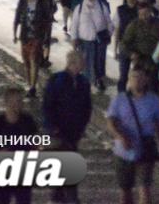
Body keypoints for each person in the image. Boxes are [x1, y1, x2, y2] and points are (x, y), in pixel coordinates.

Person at [105, 68, 159, 204]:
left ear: (146, 80)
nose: (137, 80)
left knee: (145, 188)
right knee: (125, 190)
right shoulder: (119, 99)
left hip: (145, 149)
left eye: (140, 77)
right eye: (134, 76)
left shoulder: (153, 100)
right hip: (123, 151)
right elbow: (111, 123)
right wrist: (120, 137)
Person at [43, 51, 92, 204]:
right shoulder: (57, 80)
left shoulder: (83, 82)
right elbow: (48, 105)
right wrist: (53, 127)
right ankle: (70, 198)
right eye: (81, 62)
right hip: (59, 131)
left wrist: (82, 126)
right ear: (73, 63)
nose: (83, 65)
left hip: (74, 131)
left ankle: (59, 196)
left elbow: (87, 107)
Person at [0, 87, 40, 204]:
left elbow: (36, 144)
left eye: (20, 101)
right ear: (6, 103)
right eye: (14, 102)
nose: (18, 105)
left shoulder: (28, 121)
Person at [73, 0, 112, 91]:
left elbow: (109, 22)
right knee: (86, 63)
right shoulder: (79, 8)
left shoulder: (101, 6)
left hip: (99, 41)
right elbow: (74, 24)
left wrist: (109, 34)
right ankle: (87, 82)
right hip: (85, 41)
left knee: (99, 62)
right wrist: (74, 39)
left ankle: (98, 80)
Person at [14, 0, 52, 97]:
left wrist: (45, 37)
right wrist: (15, 33)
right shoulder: (23, 3)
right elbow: (17, 17)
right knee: (26, 62)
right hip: (25, 36)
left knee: (33, 60)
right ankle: (30, 83)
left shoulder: (41, 4)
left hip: (37, 36)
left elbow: (47, 21)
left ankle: (32, 87)